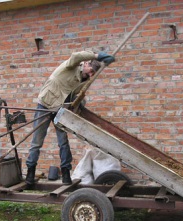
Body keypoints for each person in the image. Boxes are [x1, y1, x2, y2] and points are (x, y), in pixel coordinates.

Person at [25, 50, 115, 185]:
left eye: (93, 74)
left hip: (60, 109)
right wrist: (98, 56)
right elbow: (76, 55)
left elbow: (75, 95)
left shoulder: (85, 80)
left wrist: (80, 104)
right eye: (90, 71)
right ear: (86, 64)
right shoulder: (71, 66)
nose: (90, 75)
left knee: (63, 141)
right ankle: (30, 173)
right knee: (37, 141)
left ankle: (66, 173)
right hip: (45, 104)